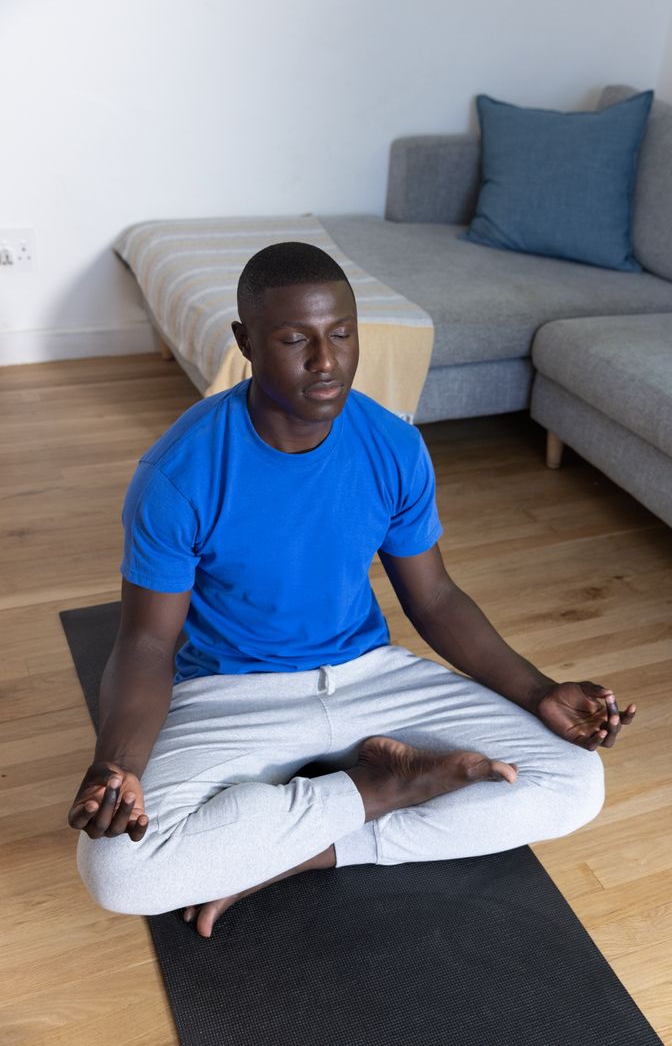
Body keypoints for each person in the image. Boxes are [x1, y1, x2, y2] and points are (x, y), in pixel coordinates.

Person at [69, 242, 636, 939]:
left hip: (371, 678)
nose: (326, 360)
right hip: (233, 691)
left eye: (342, 333)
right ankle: (379, 787)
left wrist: (539, 690)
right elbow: (147, 641)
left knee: (575, 783)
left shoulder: (392, 445)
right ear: (246, 342)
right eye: (294, 339)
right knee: (117, 871)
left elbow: (434, 598)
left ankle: (305, 851)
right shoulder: (179, 473)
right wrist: (117, 763)